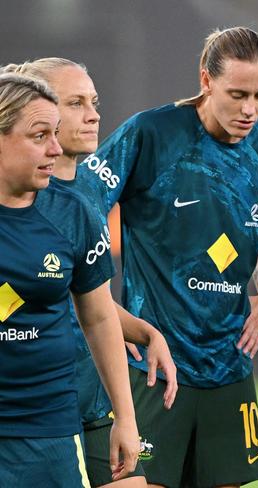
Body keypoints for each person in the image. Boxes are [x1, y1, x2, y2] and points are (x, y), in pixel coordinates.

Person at [79, 26, 258, 488]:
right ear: (206, 80)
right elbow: (80, 202)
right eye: (237, 94)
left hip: (231, 367)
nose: (250, 109)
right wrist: (95, 296)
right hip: (152, 367)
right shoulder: (152, 133)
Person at [2, 57, 179, 488]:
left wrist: (127, 414)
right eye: (40, 135)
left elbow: (96, 313)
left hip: (60, 422)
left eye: (93, 102)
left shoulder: (75, 211)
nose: (54, 147)